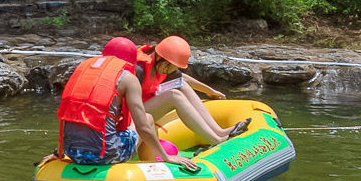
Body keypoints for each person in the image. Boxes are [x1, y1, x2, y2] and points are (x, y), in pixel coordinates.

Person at [55, 36, 241, 166]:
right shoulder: (133, 73)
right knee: (153, 116)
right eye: (169, 65)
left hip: (74, 150)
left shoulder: (86, 70)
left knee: (180, 87)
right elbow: (143, 126)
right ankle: (153, 163)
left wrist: (210, 91)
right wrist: (166, 156)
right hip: (110, 148)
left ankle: (217, 133)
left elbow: (70, 113)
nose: (170, 70)